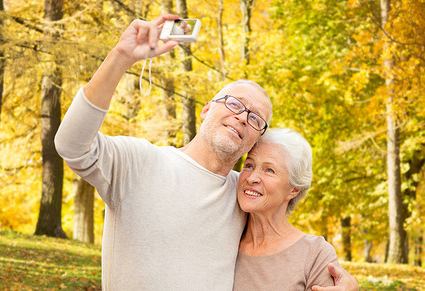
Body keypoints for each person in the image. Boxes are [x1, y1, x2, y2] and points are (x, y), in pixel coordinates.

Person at [55, 14, 357, 290]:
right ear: (206, 109)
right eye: (235, 104)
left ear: (254, 141)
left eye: (255, 118)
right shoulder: (139, 161)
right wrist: (120, 58)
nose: (242, 116)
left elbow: (283, 244)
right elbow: (71, 145)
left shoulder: (242, 197)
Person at [234, 128, 346, 290]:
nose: (251, 178)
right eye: (249, 165)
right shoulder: (226, 238)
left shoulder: (314, 254)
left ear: (293, 189)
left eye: (269, 170)